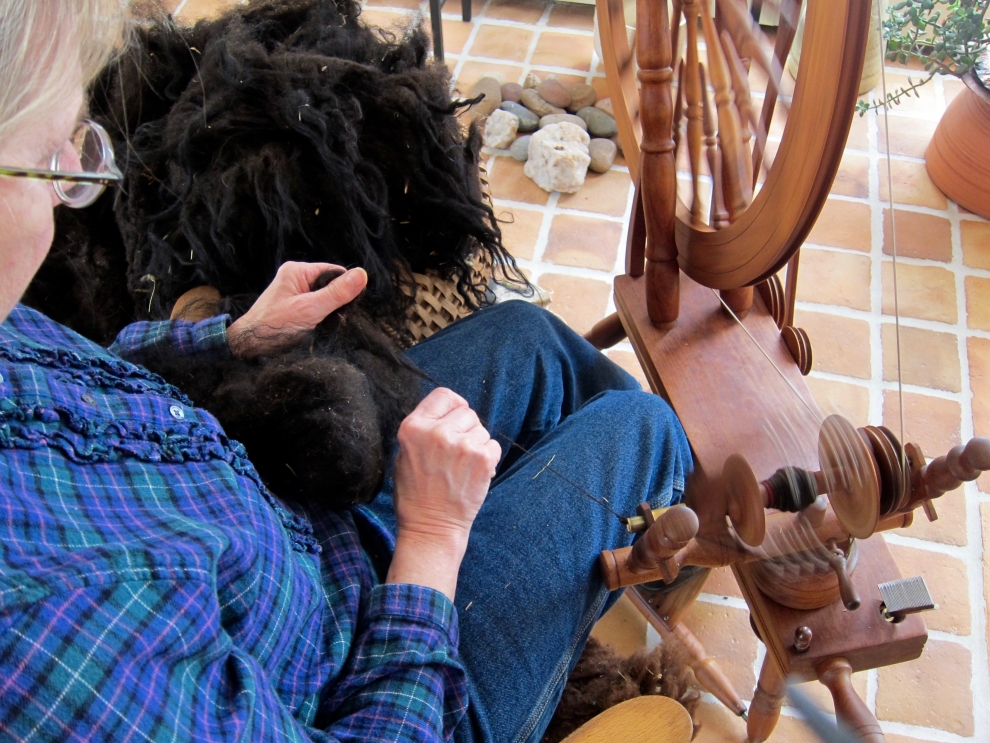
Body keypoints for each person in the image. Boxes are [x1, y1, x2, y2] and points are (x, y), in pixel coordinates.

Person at [0, 2, 692, 741]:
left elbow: (87, 380)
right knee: (640, 428)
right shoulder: (38, 631)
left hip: (298, 520)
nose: (76, 180)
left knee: (530, 342)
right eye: (52, 159)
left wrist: (230, 339)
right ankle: (632, 565)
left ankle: (646, 555)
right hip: (377, 672)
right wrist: (431, 539)